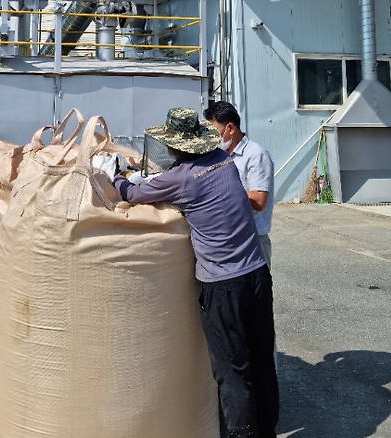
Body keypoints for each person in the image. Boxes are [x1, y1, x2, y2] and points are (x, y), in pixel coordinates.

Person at [113, 108, 279, 438]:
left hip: (223, 286)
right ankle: (268, 431)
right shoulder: (223, 160)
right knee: (261, 361)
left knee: (233, 373)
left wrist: (116, 176)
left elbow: (133, 194)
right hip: (257, 275)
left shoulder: (182, 178)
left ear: (174, 146)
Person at [204, 102, 275, 267]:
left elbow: (258, 201)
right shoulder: (220, 155)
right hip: (228, 238)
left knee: (254, 291)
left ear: (230, 128)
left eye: (214, 132)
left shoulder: (256, 155)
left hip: (252, 240)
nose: (210, 138)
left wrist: (221, 190)